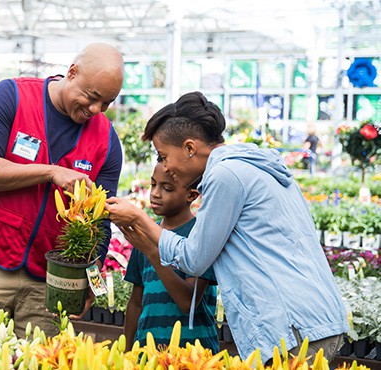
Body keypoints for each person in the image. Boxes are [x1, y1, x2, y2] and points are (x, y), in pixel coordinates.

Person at [105, 91, 349, 364]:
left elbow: (194, 259)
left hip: (291, 327)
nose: (165, 166)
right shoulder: (253, 167)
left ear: (189, 148)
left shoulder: (225, 175)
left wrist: (139, 220)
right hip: (312, 319)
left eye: (164, 156)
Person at [0, 43, 125, 337]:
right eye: (92, 97)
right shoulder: (12, 96)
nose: (95, 110)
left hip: (49, 282)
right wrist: (51, 172)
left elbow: (101, 223)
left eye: (106, 103)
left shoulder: (107, 142)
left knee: (41, 359)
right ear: (72, 73)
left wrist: (93, 283)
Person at [124, 160, 219, 353]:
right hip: (147, 356)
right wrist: (126, 350)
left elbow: (187, 302)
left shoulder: (201, 236)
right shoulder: (146, 234)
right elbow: (136, 302)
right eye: (153, 184)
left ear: (191, 195)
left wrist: (152, 252)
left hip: (195, 356)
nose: (155, 193)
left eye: (167, 188)